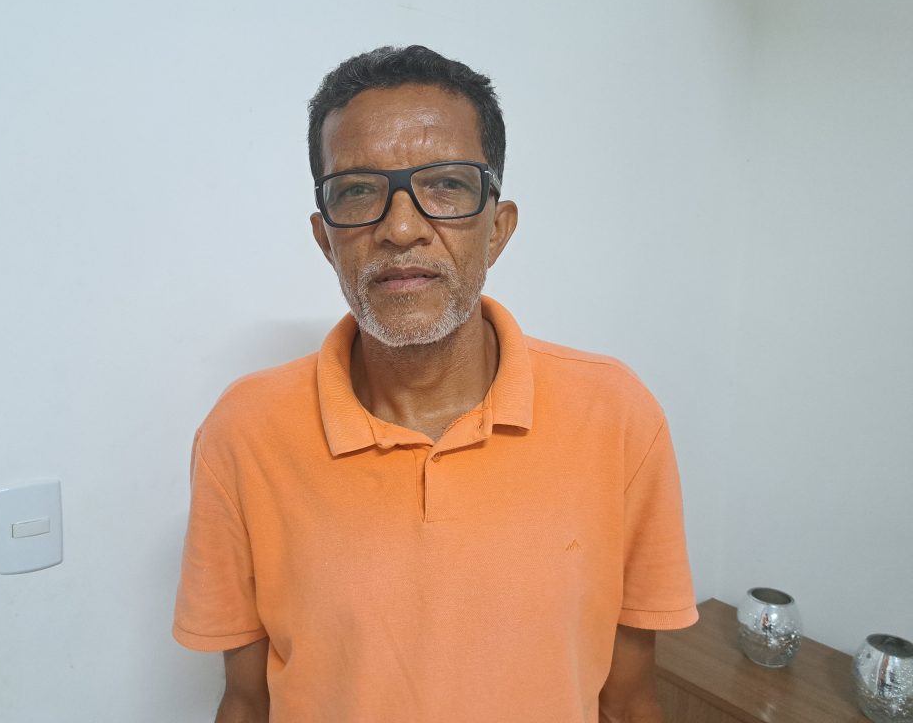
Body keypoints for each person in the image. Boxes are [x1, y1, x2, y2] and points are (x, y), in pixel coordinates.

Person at [173, 45, 697, 723]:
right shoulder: (243, 433)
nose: (401, 228)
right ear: (326, 239)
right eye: (357, 190)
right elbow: (246, 701)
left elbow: (627, 702)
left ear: (497, 230)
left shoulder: (618, 417)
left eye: (447, 185)